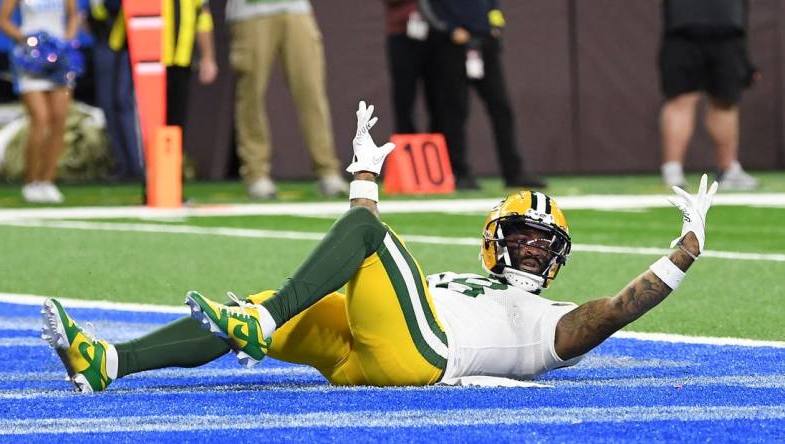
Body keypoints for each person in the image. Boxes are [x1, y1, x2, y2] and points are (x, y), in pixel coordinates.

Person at [40, 101, 717, 392]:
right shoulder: (464, 280)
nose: (535, 251)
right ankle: (109, 361)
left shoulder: (553, 321)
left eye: (545, 243)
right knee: (249, 306)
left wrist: (682, 254)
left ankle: (264, 321)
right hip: (366, 354)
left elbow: (611, 314)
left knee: (367, 232)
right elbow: (377, 285)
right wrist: (364, 169)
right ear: (493, 243)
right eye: (523, 237)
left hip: (424, 358)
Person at [226, 0, 348, 199]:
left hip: (296, 8)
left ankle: (327, 170)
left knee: (312, 92)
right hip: (251, 11)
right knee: (251, 96)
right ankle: (256, 174)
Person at [419, 0, 545, 190]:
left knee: (501, 108)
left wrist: (496, 28)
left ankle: (513, 172)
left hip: (484, 46)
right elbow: (429, 8)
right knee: (455, 111)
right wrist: (450, 30)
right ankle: (458, 172)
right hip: (453, 47)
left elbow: (494, 8)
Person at [659, 0, 759, 190]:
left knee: (725, 102)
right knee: (681, 99)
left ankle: (728, 170)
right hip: (682, 30)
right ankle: (672, 172)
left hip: (728, 29)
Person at [0, 0, 78, 203]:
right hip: (30, 58)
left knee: (59, 120)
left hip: (59, 59)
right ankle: (31, 181)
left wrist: (66, 40)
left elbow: (74, 15)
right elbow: (3, 20)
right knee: (41, 119)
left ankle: (48, 181)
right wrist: (27, 40)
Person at [88, 0, 144, 182]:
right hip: (103, 38)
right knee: (107, 103)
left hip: (124, 38)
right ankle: (124, 164)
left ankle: (137, 163)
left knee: (123, 101)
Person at [163, 0, 218, 150]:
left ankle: (172, 164)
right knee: (153, 116)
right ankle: (149, 164)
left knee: (177, 116)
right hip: (153, 60)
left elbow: (203, 17)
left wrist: (207, 56)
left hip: (182, 57)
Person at [382, 0, 441, 134]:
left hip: (436, 33)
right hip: (401, 34)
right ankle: (407, 146)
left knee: (439, 98)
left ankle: (438, 147)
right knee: (404, 96)